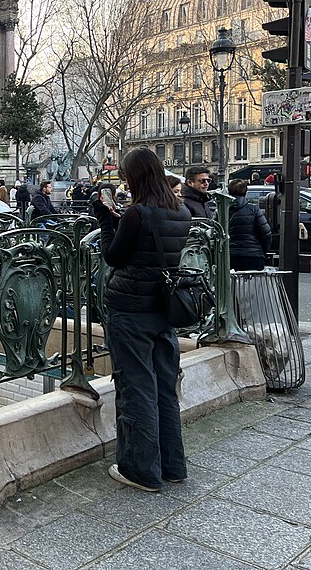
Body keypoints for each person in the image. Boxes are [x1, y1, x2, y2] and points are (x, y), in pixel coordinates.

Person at [91, 147, 191, 492]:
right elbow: (150, 247)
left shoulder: (136, 213)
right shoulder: (182, 211)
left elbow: (113, 256)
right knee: (164, 387)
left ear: (135, 177)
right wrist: (122, 220)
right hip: (163, 310)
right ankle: (172, 466)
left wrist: (105, 220)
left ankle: (141, 470)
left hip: (131, 310)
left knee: (136, 387)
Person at [227, 179, 272, 271]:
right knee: (253, 280)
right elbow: (266, 233)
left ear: (229, 192)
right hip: (253, 255)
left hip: (230, 255)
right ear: (245, 192)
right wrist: (262, 250)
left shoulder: (222, 210)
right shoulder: (254, 209)